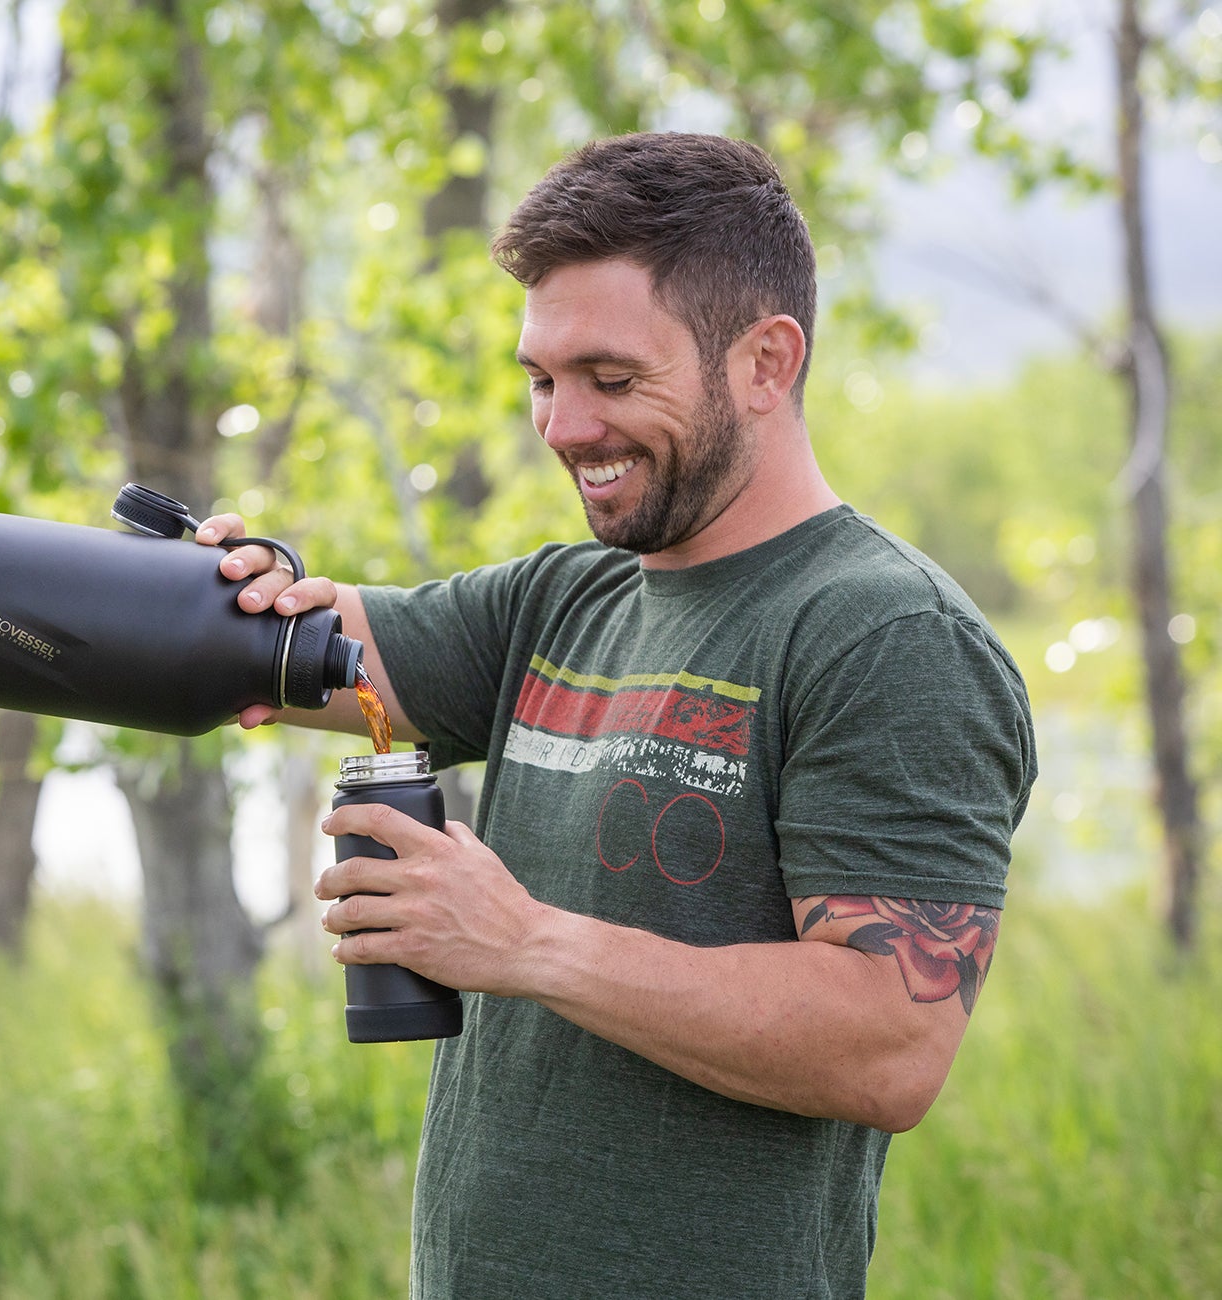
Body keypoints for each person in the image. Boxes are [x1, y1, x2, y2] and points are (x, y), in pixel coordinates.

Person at [195, 133, 1036, 1298]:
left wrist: (525, 942)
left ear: (765, 361)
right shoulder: (568, 595)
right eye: (543, 380)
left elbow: (890, 1039)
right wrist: (191, 591)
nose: (563, 426)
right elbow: (286, 644)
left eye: (613, 379)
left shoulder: (885, 637)